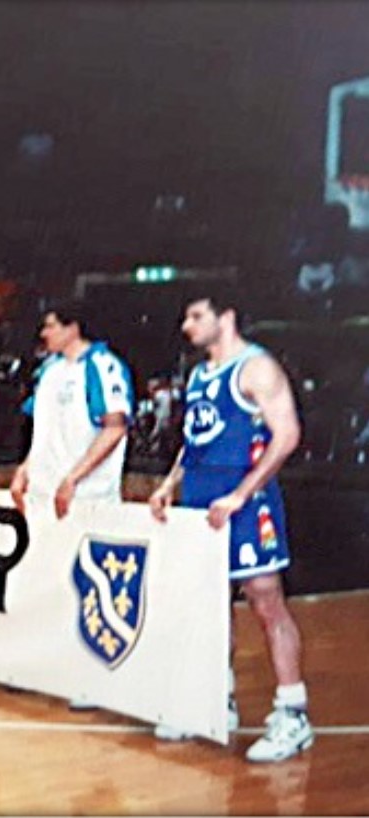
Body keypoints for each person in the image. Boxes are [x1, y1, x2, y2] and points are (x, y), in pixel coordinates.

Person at [149, 289, 312, 763]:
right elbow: (195, 439)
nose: (187, 326)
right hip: (202, 502)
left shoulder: (256, 368)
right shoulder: (200, 374)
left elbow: (288, 435)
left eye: (196, 316)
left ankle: (293, 713)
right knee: (208, 605)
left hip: (246, 502)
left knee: (265, 600)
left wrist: (241, 493)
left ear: (227, 317)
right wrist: (170, 484)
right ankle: (215, 701)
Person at [8, 301, 133, 710]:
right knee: (49, 578)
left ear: (72, 327)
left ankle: (96, 675)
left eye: (50, 326)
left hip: (88, 496)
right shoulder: (50, 372)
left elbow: (114, 427)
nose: (44, 334)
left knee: (90, 583)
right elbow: (43, 433)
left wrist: (74, 477)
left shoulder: (103, 366)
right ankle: (54, 664)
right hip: (45, 494)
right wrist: (25, 469)